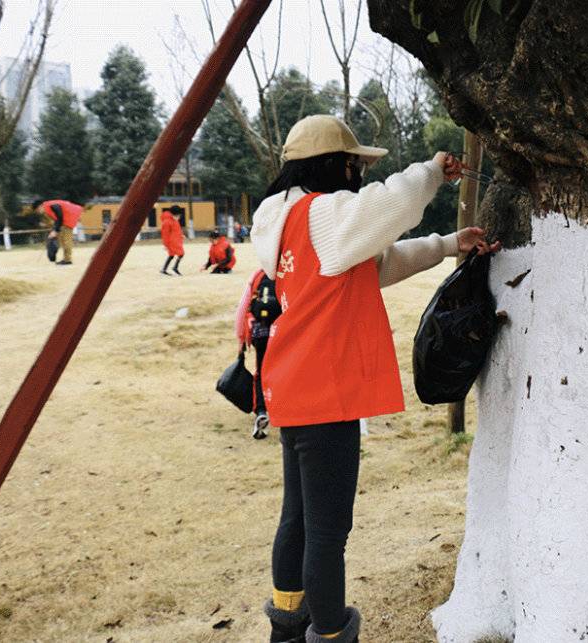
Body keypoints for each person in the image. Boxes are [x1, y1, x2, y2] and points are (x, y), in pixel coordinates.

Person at [250, 114, 499, 643]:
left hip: (292, 386)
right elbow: (391, 205)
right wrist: (432, 171)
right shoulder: (324, 215)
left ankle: (287, 626)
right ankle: (333, 633)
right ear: (335, 165)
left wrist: (448, 244)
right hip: (326, 392)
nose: (358, 175)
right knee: (326, 530)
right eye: (353, 164)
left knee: (296, 517)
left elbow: (379, 264)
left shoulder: (287, 221)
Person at [235, 268, 281, 439]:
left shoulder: (258, 275)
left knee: (262, 372)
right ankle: (284, 408)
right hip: (285, 331)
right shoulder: (292, 270)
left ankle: (262, 410)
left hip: (261, 331)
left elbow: (243, 308)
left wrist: (241, 339)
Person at [34, 199, 83, 265]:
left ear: (40, 206)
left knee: (66, 240)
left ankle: (67, 260)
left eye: (37, 210)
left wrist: (55, 231)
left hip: (69, 216)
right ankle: (66, 259)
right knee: (63, 239)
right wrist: (54, 230)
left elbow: (59, 216)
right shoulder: (48, 207)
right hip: (68, 216)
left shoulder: (50, 205)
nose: (38, 212)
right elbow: (57, 220)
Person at [160, 205, 186, 275]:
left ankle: (164, 269)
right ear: (174, 214)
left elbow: (177, 229)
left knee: (171, 255)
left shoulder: (174, 220)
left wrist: (181, 235)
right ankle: (175, 267)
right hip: (172, 242)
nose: (179, 217)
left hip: (176, 240)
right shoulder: (167, 222)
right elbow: (165, 234)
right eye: (178, 215)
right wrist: (165, 244)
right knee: (181, 253)